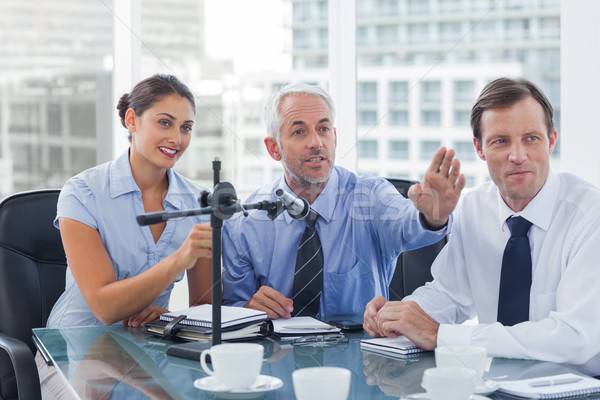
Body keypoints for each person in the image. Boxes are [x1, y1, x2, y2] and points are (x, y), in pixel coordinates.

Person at [364, 77, 600, 375]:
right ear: (479, 148)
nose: (517, 156)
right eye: (501, 141)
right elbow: (450, 293)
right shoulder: (474, 207)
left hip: (581, 386)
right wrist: (399, 316)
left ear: (551, 140)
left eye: (531, 138)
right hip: (498, 382)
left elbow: (573, 338)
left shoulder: (591, 216)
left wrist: (442, 336)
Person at [222, 82, 465, 319]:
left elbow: (408, 224)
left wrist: (433, 216)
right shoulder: (245, 222)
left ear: (335, 137)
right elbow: (231, 308)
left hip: (363, 355)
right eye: (299, 131)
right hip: (279, 355)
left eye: (323, 129)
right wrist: (248, 309)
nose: (316, 142)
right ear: (274, 148)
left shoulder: (370, 197)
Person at [46, 74, 213, 329]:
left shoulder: (199, 202)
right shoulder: (82, 194)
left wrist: (169, 318)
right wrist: (179, 259)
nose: (177, 139)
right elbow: (104, 308)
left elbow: (204, 310)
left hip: (147, 346)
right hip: (73, 346)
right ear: (132, 120)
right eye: (165, 123)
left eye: (185, 127)